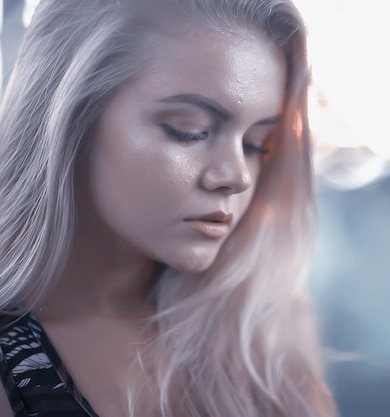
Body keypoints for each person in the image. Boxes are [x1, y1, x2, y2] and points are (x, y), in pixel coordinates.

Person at [0, 0, 336, 416]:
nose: (237, 176)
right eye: (189, 131)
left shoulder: (267, 341)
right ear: (72, 118)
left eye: (256, 145)